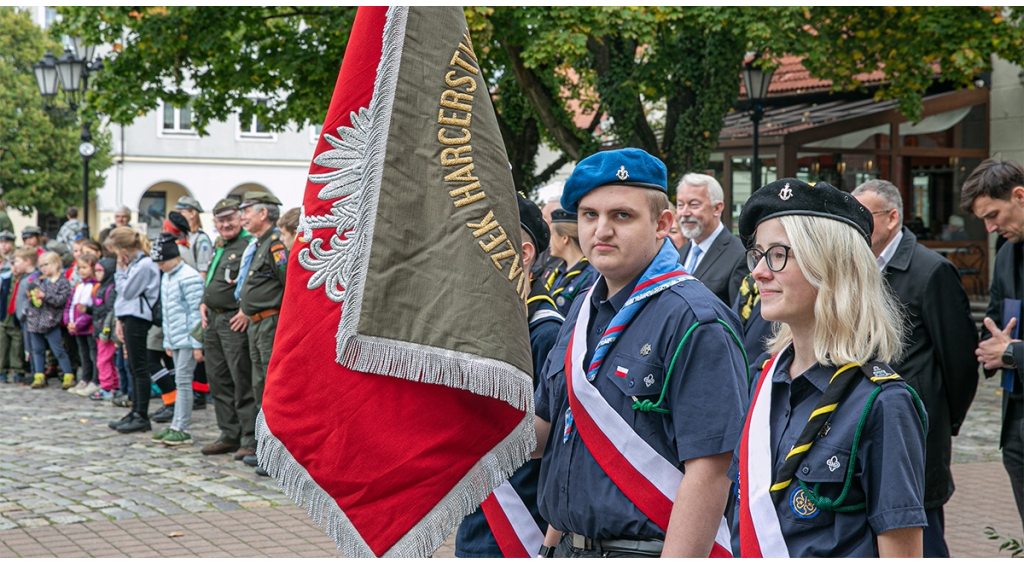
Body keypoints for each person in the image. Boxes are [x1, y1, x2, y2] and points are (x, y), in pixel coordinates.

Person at [534, 148, 748, 558]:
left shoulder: (695, 320)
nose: (602, 230)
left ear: (662, 224)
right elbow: (552, 434)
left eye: (622, 216)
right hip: (570, 547)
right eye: (589, 215)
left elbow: (710, 472)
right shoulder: (582, 306)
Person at [736, 178, 926, 558]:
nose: (758, 272)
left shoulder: (881, 403)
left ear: (832, 267)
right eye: (757, 254)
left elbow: (901, 552)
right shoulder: (763, 381)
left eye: (777, 254)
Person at [851, 179, 979, 555]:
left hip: (916, 426)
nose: (856, 226)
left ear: (892, 218)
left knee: (922, 530)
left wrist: (941, 418)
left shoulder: (930, 270)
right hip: (866, 422)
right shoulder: (857, 268)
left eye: (865, 216)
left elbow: (960, 363)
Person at [456, 195, 562, 558]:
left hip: (521, 524)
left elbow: (557, 446)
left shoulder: (546, 334)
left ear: (525, 253)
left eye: (485, 239)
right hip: (478, 515)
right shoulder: (488, 327)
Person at [961, 158, 1024, 532]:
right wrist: (990, 348)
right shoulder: (1004, 255)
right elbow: (994, 325)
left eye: (993, 214)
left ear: (1019, 195)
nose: (990, 227)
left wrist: (1012, 353)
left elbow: (1008, 348)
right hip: (1015, 425)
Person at [199, 199, 257, 459]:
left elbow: (254, 282)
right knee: (218, 378)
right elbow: (213, 278)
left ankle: (249, 437)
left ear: (240, 219)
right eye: (220, 221)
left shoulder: (248, 244)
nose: (225, 225)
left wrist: (246, 310)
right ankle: (228, 433)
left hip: (234, 319)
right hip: (212, 319)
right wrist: (204, 301)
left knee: (240, 378)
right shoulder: (220, 244)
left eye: (230, 219)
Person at [237, 191, 288, 475]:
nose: (242, 216)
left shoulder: (275, 246)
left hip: (269, 324)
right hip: (256, 323)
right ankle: (264, 448)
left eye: (247, 211)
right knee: (259, 385)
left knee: (269, 386)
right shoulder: (260, 244)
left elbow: (287, 286)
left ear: (263, 214)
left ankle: (274, 455)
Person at [148, 232, 205, 446]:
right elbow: (168, 314)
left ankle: (183, 427)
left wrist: (197, 345)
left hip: (189, 340)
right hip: (177, 339)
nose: (160, 266)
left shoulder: (189, 277)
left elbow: (195, 313)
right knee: (180, 381)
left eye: (162, 262)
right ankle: (176, 424)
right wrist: (168, 343)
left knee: (183, 382)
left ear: (173, 257)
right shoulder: (168, 276)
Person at [106, 227, 161, 434]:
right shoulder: (136, 264)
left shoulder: (145, 264)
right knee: (132, 366)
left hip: (139, 318)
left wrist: (119, 271)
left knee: (139, 367)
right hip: (129, 316)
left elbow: (127, 291)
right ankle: (135, 410)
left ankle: (141, 414)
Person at [676, 173, 747, 306]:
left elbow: (738, 317)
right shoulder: (680, 253)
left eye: (694, 204)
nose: (685, 212)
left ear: (717, 208)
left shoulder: (739, 255)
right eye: (680, 205)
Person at [25, 252, 75, 389]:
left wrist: (44, 296)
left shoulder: (62, 282)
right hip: (35, 320)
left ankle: (68, 374)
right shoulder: (39, 281)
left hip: (52, 321)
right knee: (37, 350)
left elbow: (60, 300)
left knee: (58, 349)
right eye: (41, 266)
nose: (43, 268)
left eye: (46, 264)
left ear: (56, 264)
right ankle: (39, 374)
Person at [545, 209, 598, 315]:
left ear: (565, 238)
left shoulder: (591, 275)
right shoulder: (557, 270)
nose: (549, 241)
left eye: (551, 235)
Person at [65, 253, 101, 397]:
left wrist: (78, 324)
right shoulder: (78, 285)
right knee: (84, 355)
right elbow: (70, 305)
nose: (81, 271)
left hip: (88, 328)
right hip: (77, 328)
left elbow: (89, 310)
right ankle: (85, 378)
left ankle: (95, 380)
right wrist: (69, 321)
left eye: (85, 267)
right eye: (79, 268)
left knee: (93, 354)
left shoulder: (95, 286)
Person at [89, 258, 118, 401]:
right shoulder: (100, 288)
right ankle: (114, 385)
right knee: (107, 360)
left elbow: (109, 312)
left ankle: (107, 387)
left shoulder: (111, 289)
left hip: (106, 332)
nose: (97, 274)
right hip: (99, 329)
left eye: (100, 271)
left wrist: (104, 331)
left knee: (103, 360)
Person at [12, 247, 40, 386]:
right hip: (24, 319)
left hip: (29, 318)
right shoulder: (23, 277)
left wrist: (23, 313)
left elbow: (32, 300)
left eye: (17, 261)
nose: (15, 264)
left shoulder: (33, 278)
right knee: (28, 347)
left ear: (28, 261)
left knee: (33, 347)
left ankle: (37, 372)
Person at [0, 231, 22, 383]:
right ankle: (2, 369)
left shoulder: (17, 259)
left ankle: (17, 369)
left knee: (17, 343)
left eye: (8, 242)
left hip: (13, 310)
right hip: (2, 309)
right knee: (1, 343)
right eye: (2, 242)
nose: (4, 245)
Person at [175, 196, 214, 280]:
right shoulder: (181, 235)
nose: (177, 216)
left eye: (181, 212)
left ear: (193, 213)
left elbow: (203, 272)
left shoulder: (201, 239)